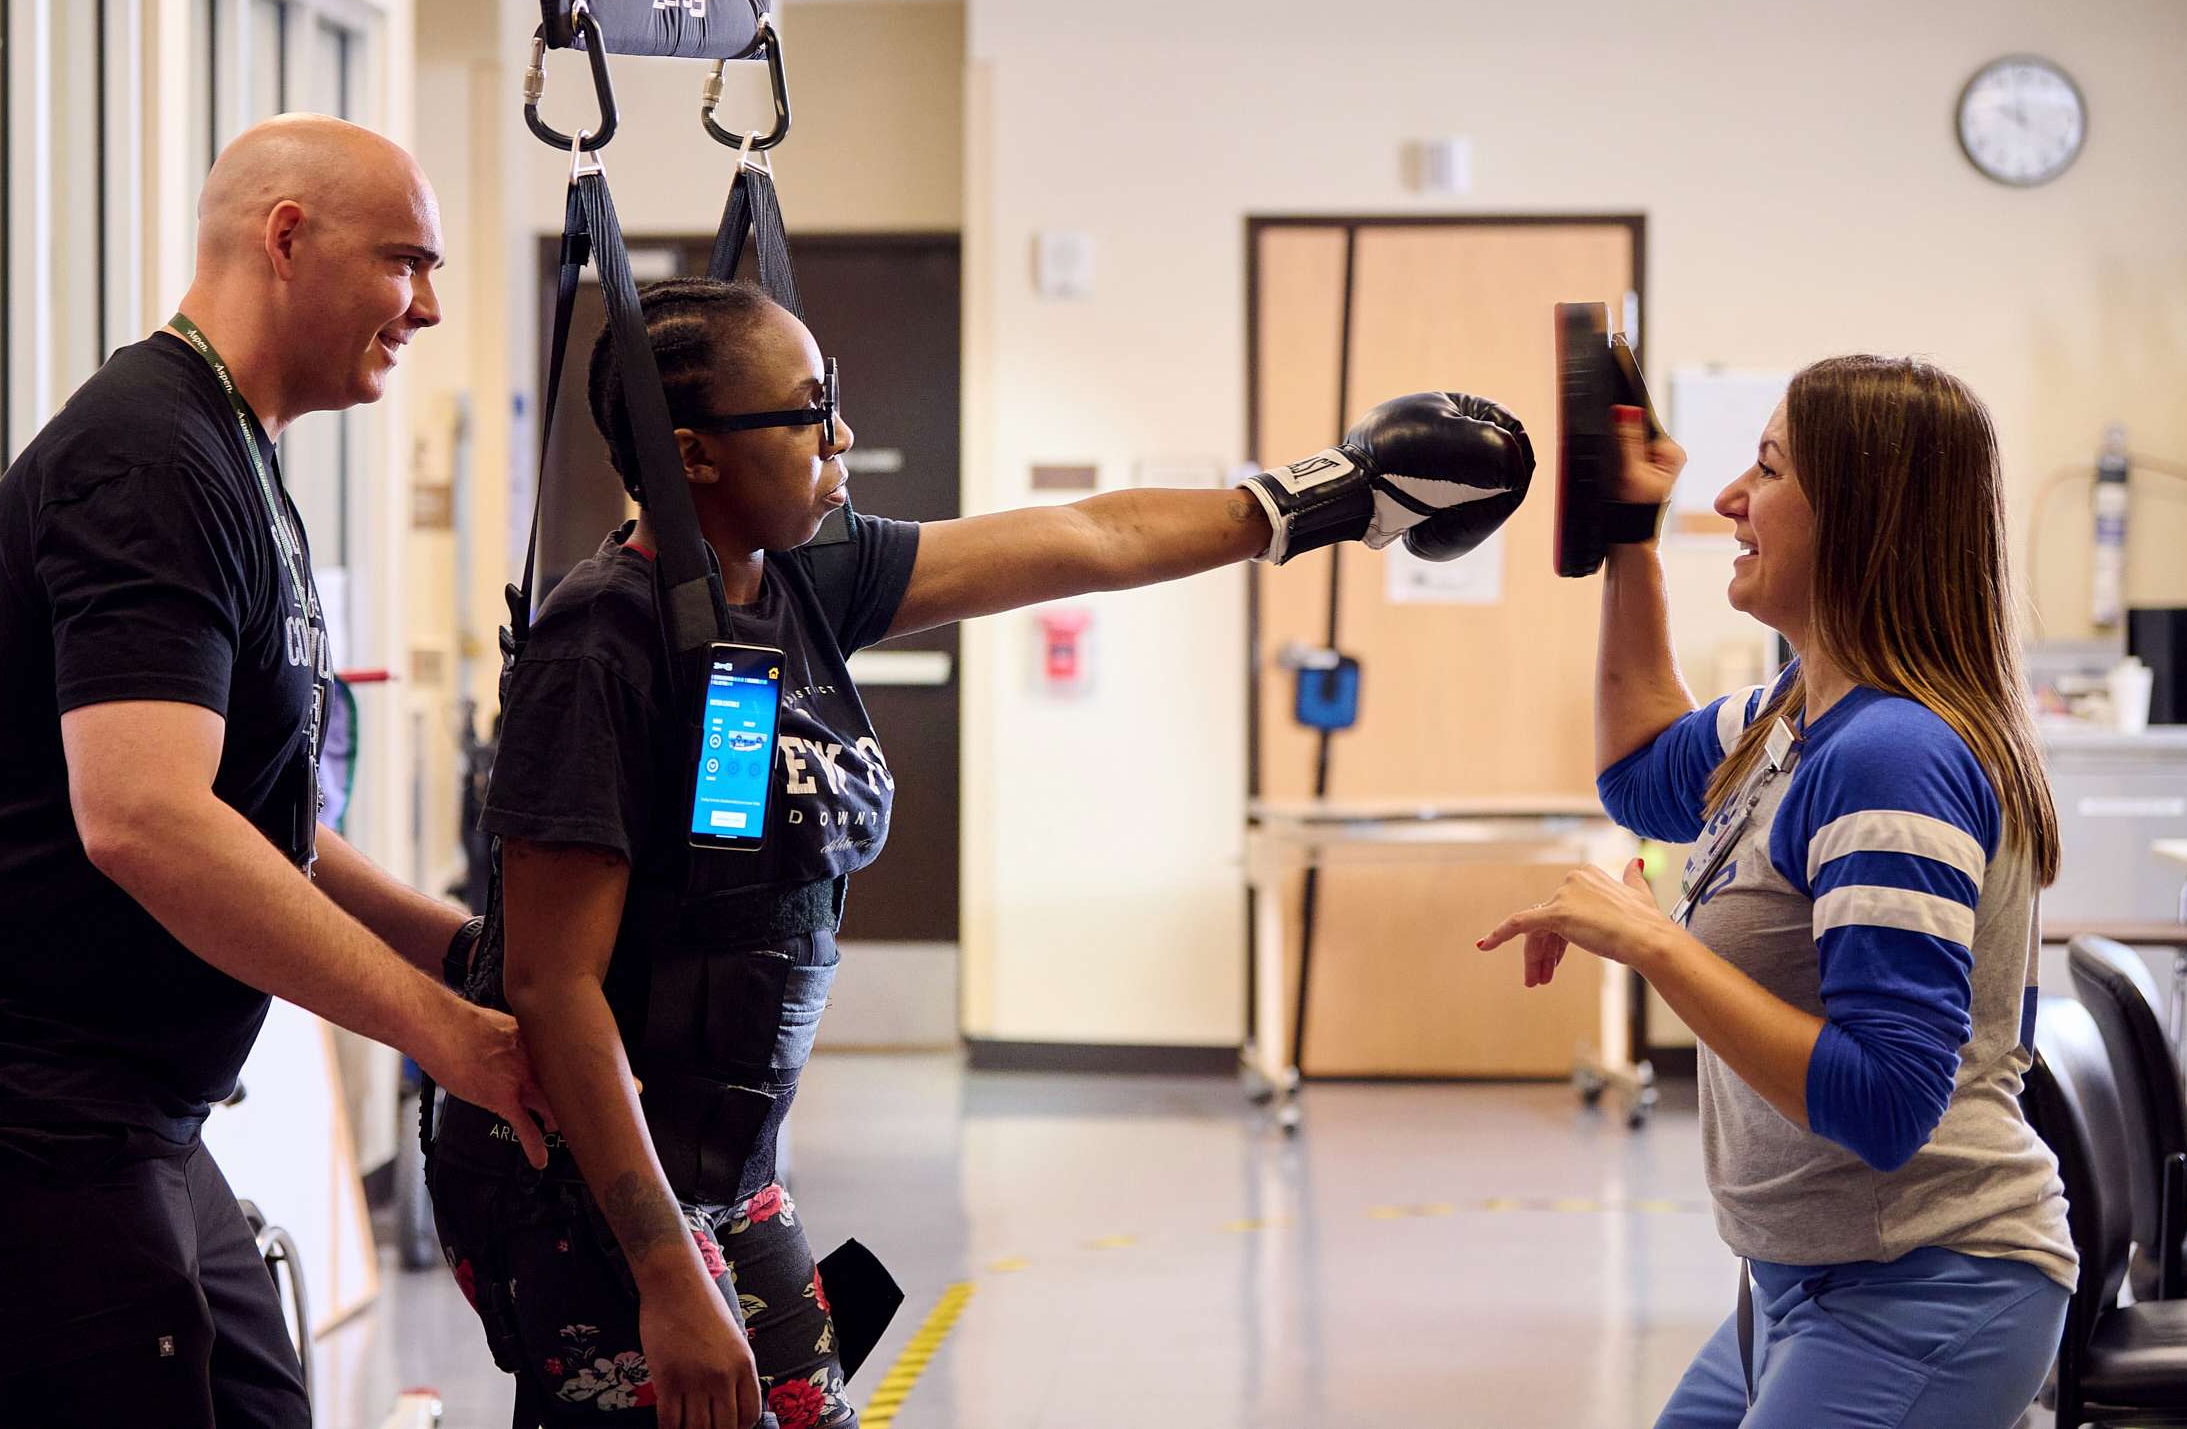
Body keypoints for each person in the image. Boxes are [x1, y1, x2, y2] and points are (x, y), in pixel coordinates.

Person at [427, 274, 1536, 1429]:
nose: (839, 435)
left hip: (729, 1167)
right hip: (583, 1190)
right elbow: (551, 986)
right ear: (695, 455)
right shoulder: (600, 639)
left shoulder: (798, 579)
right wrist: (665, 1270)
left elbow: (1086, 537)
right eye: (808, 411)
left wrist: (1328, 500)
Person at [0, 114, 550, 1428]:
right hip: (6, 1086)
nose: (430, 306)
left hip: (120, 1095)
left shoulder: (235, 450)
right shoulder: (149, 457)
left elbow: (250, 817)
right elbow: (146, 819)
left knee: (256, 1398)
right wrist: (442, 1033)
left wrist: (459, 951)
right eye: (407, 262)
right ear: (287, 238)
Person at [1477, 355, 2074, 1428]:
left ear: (1861, 514)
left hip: (1924, 1286)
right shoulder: (1797, 712)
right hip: (1800, 1280)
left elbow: (1886, 1102)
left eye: (1767, 469)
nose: (1729, 499)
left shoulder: (1892, 756)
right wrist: (1628, 539)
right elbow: (1642, 767)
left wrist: (1657, 944)